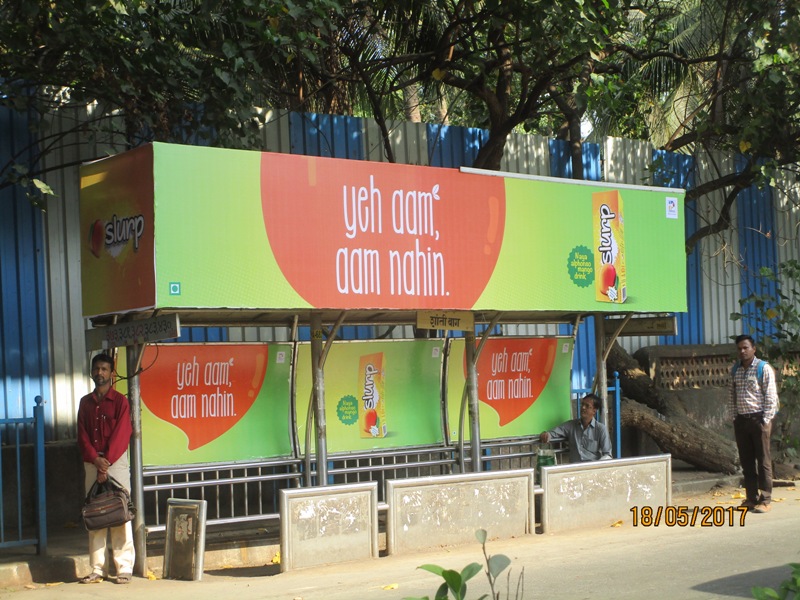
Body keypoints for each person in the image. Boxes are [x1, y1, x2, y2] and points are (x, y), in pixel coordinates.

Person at [77, 353, 135, 584]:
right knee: (96, 513)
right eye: (96, 369)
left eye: (104, 369)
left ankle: (124, 568)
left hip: (116, 462)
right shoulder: (85, 403)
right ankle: (97, 568)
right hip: (92, 463)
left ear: (112, 374)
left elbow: (123, 434)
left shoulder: (121, 402)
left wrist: (106, 462)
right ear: (91, 373)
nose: (99, 373)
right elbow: (81, 435)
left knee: (120, 513)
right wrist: (95, 459)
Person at [730, 334, 778, 514]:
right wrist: (734, 416)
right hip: (741, 420)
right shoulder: (735, 370)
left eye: (745, 348)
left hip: (759, 420)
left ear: (753, 349)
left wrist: (765, 420)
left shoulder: (762, 368)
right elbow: (731, 395)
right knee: (747, 461)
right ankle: (751, 498)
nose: (742, 351)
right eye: (739, 348)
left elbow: (771, 396)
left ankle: (765, 500)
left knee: (763, 461)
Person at [539, 393, 613, 462]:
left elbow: (607, 455)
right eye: (582, 405)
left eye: (587, 406)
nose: (583, 408)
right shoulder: (571, 425)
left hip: (592, 470)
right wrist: (546, 434)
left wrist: (596, 467)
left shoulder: (601, 429)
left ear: (594, 411)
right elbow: (554, 432)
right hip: (574, 470)